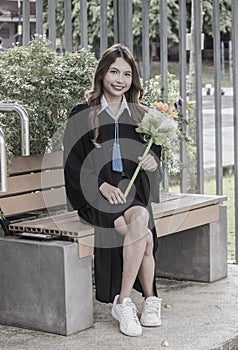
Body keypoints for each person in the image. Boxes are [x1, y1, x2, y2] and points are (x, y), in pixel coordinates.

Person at [63, 43, 162, 337]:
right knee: (141, 235)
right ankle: (142, 299)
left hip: (130, 194)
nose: (120, 80)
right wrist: (101, 185)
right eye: (114, 72)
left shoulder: (141, 115)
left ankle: (126, 301)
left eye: (127, 74)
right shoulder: (84, 114)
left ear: (133, 80)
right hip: (95, 195)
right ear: (102, 74)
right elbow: (73, 162)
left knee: (140, 222)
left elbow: (154, 154)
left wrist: (152, 162)